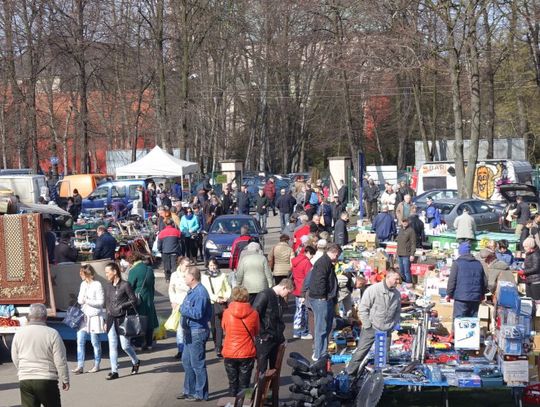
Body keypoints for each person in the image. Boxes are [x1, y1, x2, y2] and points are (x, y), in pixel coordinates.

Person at [11, 303, 69, 407]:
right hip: (46, 379)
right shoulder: (52, 333)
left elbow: (15, 356)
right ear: (45, 317)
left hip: (25, 379)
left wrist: (23, 369)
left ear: (29, 317)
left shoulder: (19, 333)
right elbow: (60, 359)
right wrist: (65, 379)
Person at [346, 270, 401, 375]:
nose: (398, 281)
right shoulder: (373, 290)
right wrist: (367, 325)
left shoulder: (396, 294)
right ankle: (350, 373)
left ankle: (381, 378)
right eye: (396, 279)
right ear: (388, 277)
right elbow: (362, 309)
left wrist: (393, 324)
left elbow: (398, 310)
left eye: (398, 279)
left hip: (386, 328)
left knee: (384, 356)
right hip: (371, 327)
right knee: (361, 352)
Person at [178, 266, 212, 402]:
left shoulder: (200, 293)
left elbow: (198, 313)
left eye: (186, 276)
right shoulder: (192, 291)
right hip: (189, 331)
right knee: (186, 361)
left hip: (197, 331)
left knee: (198, 364)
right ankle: (189, 390)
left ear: (192, 277)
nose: (184, 278)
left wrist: (183, 309)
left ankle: (201, 393)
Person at [103, 262, 140, 380]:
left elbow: (133, 300)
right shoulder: (108, 286)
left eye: (108, 272)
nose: (106, 275)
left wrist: (122, 306)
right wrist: (105, 320)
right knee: (112, 345)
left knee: (125, 346)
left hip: (122, 319)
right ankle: (114, 371)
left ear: (115, 272)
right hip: (110, 319)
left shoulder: (125, 285)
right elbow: (107, 303)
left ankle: (136, 361)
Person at [222, 286, 260, 397]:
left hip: (230, 351)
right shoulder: (254, 313)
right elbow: (256, 332)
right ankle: (247, 402)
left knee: (233, 383)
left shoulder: (227, 313)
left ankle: (232, 401)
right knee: (246, 384)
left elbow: (224, 327)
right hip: (247, 352)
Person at [253, 279, 294, 373]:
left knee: (274, 367)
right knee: (261, 368)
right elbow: (255, 314)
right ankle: (260, 386)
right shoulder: (264, 295)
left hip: (274, 337)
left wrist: (281, 338)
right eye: (288, 293)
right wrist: (262, 333)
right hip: (265, 338)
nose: (287, 296)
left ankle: (271, 386)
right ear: (284, 287)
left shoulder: (278, 297)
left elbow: (279, 320)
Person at [308, 243, 341, 361]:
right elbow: (319, 280)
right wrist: (322, 296)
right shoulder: (323, 263)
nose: (337, 259)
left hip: (324, 298)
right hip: (320, 299)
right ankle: (318, 354)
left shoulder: (326, 263)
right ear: (334, 253)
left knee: (326, 327)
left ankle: (323, 352)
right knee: (321, 328)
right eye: (337, 256)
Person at [73, 265, 104, 375]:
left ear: (87, 273)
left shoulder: (97, 285)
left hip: (94, 317)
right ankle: (80, 365)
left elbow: (100, 302)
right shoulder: (83, 284)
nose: (80, 275)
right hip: (84, 316)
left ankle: (96, 364)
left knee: (95, 342)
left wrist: (88, 300)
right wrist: (84, 299)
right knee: (80, 341)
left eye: (81, 273)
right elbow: (80, 300)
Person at [446, 242, 488, 319]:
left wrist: (449, 294)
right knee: (472, 321)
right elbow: (484, 282)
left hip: (461, 298)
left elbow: (452, 281)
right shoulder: (478, 264)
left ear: (460, 252)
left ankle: (457, 331)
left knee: (459, 321)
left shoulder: (457, 263)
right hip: (475, 298)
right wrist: (482, 294)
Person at [127, 253, 159, 351]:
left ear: (132, 262)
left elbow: (129, 287)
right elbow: (152, 285)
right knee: (149, 320)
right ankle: (149, 343)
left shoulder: (133, 271)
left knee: (138, 320)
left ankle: (139, 344)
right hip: (149, 297)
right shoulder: (149, 269)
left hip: (138, 299)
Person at [201, 258, 232, 357]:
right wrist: (216, 298)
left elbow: (228, 288)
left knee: (219, 326)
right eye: (210, 265)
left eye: (214, 265)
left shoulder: (222, 275)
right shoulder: (204, 277)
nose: (213, 267)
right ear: (207, 266)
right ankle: (216, 343)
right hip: (211, 303)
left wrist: (226, 297)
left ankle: (219, 347)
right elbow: (206, 292)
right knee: (213, 326)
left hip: (221, 304)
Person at [291, 246, 316, 339]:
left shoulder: (295, 261)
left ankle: (296, 331)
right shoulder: (306, 263)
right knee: (305, 311)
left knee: (298, 311)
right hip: (304, 290)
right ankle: (304, 332)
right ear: (308, 252)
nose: (312, 257)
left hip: (297, 288)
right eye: (312, 254)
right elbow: (310, 277)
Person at [169, 256, 191, 359]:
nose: (188, 267)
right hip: (178, 304)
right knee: (180, 329)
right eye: (186, 266)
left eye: (189, 265)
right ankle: (180, 349)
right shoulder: (174, 275)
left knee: (189, 327)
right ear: (181, 265)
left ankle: (189, 348)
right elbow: (171, 289)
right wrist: (173, 301)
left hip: (189, 304)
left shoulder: (191, 274)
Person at [158, 218, 182, 282]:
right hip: (174, 251)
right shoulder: (177, 232)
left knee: (166, 266)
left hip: (165, 251)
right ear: (172, 224)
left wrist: (160, 250)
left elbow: (159, 243)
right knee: (174, 266)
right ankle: (174, 279)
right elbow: (180, 242)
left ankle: (167, 278)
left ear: (165, 224)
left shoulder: (162, 232)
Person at [395, 218, 416, 284]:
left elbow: (413, 243)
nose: (404, 223)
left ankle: (409, 284)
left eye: (406, 221)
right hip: (399, 254)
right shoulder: (400, 230)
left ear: (408, 222)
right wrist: (396, 253)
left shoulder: (411, 231)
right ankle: (403, 285)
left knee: (407, 271)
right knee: (401, 271)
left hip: (406, 254)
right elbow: (398, 242)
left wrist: (412, 254)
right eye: (403, 221)